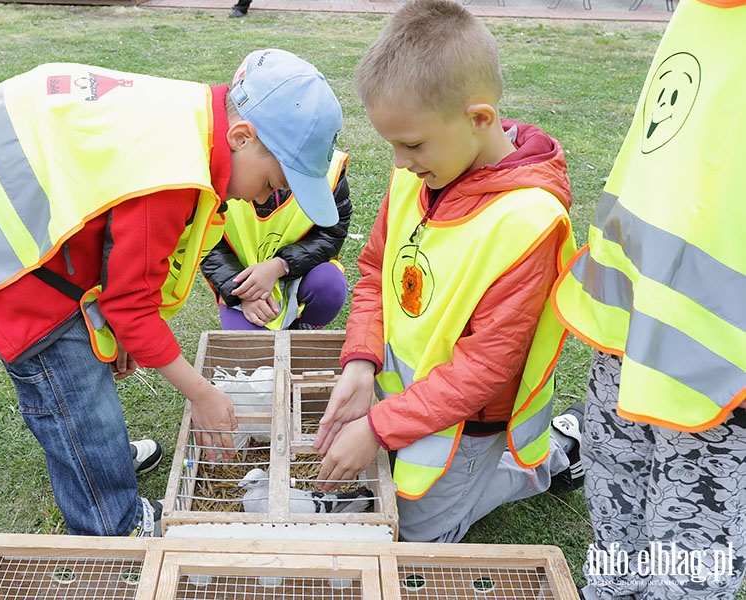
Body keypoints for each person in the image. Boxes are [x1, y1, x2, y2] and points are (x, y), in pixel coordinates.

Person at [0, 49, 343, 538]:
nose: (259, 199)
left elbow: (119, 250)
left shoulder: (193, 119)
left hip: (34, 201)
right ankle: (113, 518)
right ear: (241, 137)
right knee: (71, 382)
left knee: (88, 379)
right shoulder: (170, 177)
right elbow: (130, 303)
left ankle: (100, 452)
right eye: (270, 182)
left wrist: (119, 327)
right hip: (2, 240)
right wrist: (202, 393)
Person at [313, 0, 583, 544]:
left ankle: (544, 461)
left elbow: (485, 368)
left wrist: (378, 429)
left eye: (410, 144)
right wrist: (362, 362)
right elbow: (372, 274)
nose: (399, 163)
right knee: (392, 489)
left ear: (479, 119)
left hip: (469, 424)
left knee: (414, 538)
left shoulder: (528, 222)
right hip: (407, 398)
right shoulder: (418, 173)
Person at [551, 0, 746, 597]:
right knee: (616, 490)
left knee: (689, 544)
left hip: (720, 371)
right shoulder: (698, 12)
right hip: (633, 336)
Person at [201, 58, 351, 332]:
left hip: (296, 272)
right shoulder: (208, 173)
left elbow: (332, 233)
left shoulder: (330, 173)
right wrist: (241, 292)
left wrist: (281, 265)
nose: (263, 195)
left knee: (329, 285)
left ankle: (300, 327)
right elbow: (207, 249)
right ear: (241, 138)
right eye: (271, 183)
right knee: (246, 347)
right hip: (244, 285)